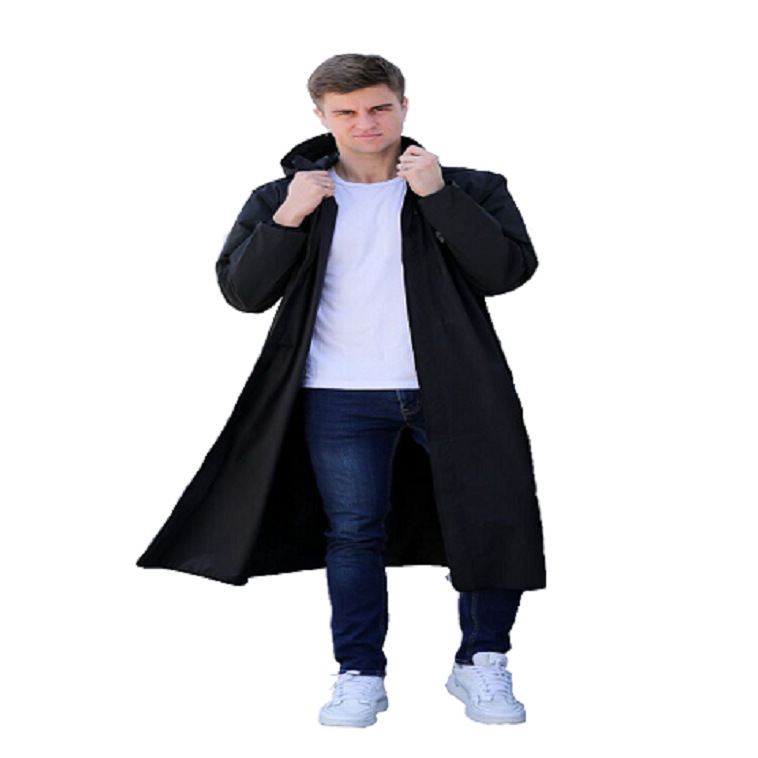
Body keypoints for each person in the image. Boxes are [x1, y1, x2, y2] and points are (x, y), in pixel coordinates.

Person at [136, 52, 546, 728]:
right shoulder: (285, 195)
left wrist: (439, 197)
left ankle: (482, 660)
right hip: (337, 395)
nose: (366, 123)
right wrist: (289, 218)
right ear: (321, 116)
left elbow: (506, 271)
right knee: (354, 535)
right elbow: (243, 293)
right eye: (346, 112)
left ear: (404, 107)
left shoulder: (468, 187)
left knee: (490, 519)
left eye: (380, 107)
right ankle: (359, 673)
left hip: (457, 388)